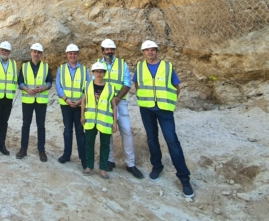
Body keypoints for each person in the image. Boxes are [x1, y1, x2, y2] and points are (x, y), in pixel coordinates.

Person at [134, 40, 194, 198]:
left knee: (172, 141)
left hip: (164, 110)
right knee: (152, 138)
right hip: (146, 108)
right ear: (143, 53)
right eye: (147, 50)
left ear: (157, 51)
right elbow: (137, 85)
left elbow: (176, 87)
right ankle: (157, 166)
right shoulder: (139, 67)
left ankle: (184, 178)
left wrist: (168, 101)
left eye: (152, 50)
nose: (150, 52)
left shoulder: (167, 67)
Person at [98, 38, 144, 179]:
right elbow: (96, 83)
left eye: (111, 49)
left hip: (120, 103)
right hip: (105, 103)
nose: (109, 51)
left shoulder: (122, 64)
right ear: (102, 50)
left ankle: (130, 164)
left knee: (126, 131)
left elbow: (127, 83)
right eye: (107, 49)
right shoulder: (98, 65)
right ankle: (110, 160)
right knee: (107, 132)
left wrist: (117, 99)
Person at [55, 44, 91, 169]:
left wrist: (81, 101)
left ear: (78, 55)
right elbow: (58, 85)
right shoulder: (61, 68)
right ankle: (66, 154)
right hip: (66, 104)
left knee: (80, 132)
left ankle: (83, 158)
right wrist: (66, 99)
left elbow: (88, 88)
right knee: (68, 130)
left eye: (74, 53)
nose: (72, 55)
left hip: (80, 105)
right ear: (67, 55)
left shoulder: (83, 70)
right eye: (70, 53)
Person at [16, 43, 53, 162]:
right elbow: (20, 82)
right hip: (28, 100)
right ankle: (23, 149)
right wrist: (27, 89)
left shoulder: (46, 67)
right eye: (34, 51)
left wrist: (43, 88)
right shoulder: (25, 66)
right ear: (31, 52)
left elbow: (49, 82)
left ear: (41, 54)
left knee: (41, 126)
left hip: (41, 101)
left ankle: (41, 150)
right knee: (25, 125)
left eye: (38, 52)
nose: (36, 54)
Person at [81, 62, 117, 178]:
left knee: (105, 144)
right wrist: (82, 116)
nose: (99, 73)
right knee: (89, 143)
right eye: (97, 71)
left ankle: (102, 168)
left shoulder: (110, 88)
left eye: (101, 71)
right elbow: (83, 101)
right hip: (90, 120)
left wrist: (115, 122)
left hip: (105, 121)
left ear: (104, 73)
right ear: (93, 73)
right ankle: (89, 166)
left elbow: (114, 105)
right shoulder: (87, 85)